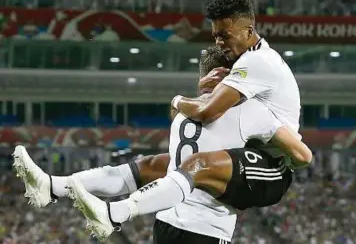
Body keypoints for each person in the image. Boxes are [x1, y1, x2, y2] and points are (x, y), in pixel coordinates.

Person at [14, 43, 310, 243]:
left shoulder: (182, 113)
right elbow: (301, 154)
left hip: (165, 224)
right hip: (206, 231)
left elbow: (194, 114)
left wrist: (183, 99)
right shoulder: (250, 110)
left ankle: (52, 185)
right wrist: (274, 158)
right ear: (230, 77)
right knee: (185, 166)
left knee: (148, 166)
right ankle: (113, 213)